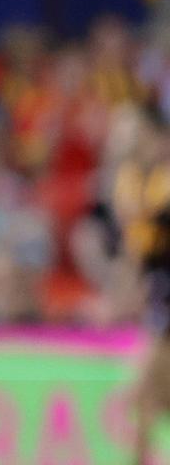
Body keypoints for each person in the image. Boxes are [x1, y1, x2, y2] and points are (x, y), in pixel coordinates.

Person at [110, 105, 170, 465]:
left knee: (144, 393)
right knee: (145, 400)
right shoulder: (132, 182)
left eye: (137, 136)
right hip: (160, 299)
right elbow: (136, 250)